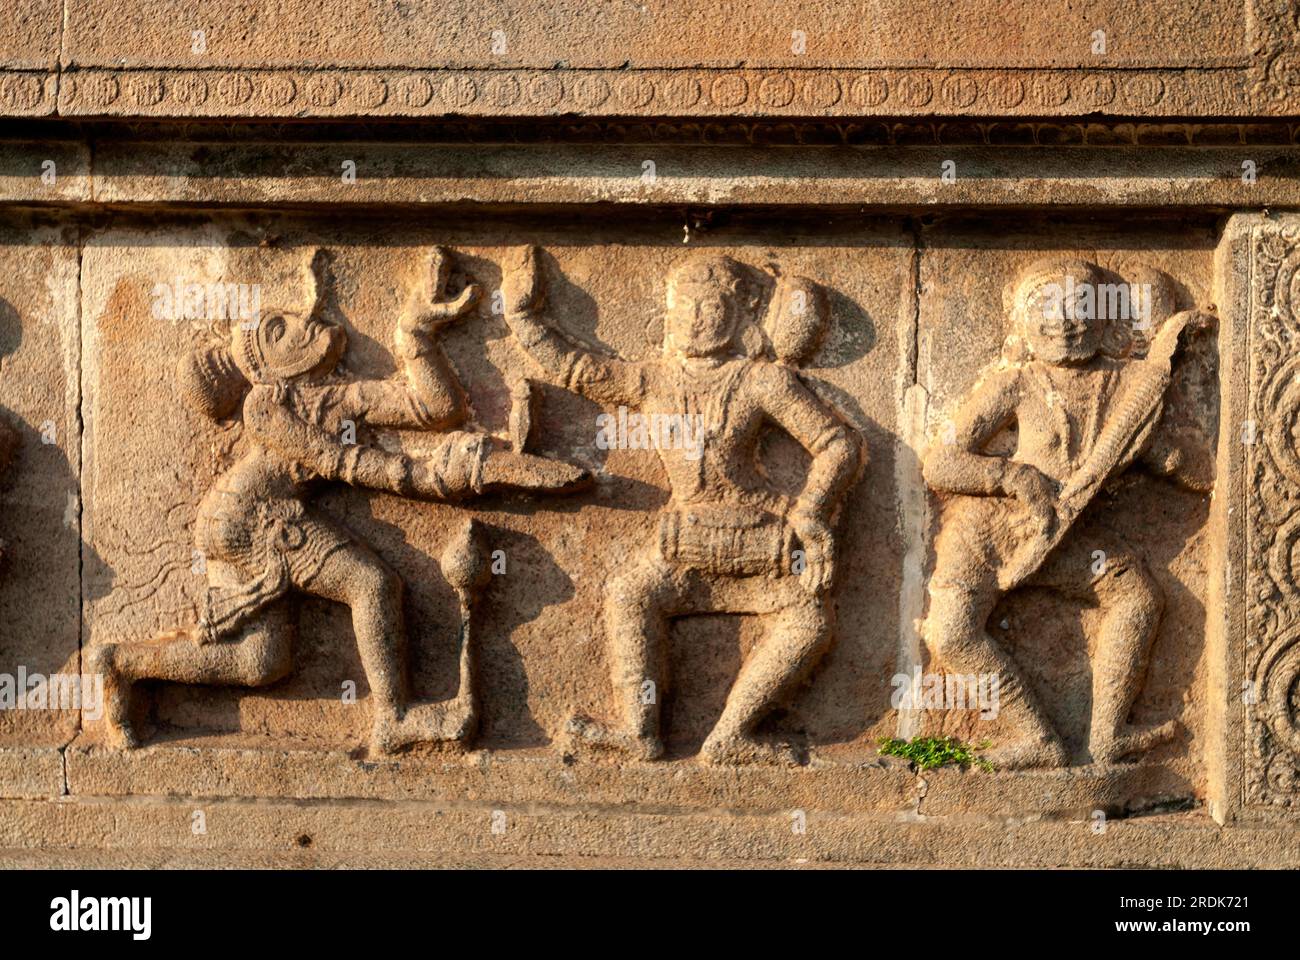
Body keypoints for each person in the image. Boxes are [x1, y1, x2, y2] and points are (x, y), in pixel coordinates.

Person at [90, 247, 588, 755]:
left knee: (262, 664)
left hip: (247, 521)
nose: (302, 324)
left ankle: (123, 663)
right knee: (371, 585)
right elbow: (337, 462)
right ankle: (392, 718)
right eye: (277, 331)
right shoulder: (266, 405)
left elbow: (436, 409)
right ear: (265, 369)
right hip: (249, 519)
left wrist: (414, 337)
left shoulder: (335, 396)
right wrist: (429, 476)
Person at [502, 246, 863, 763]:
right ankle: (640, 729)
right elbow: (575, 367)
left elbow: (837, 444)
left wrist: (810, 510)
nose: (696, 320)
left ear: (740, 317)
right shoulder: (653, 380)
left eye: (711, 307)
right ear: (669, 314)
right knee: (630, 596)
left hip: (758, 532)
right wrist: (521, 316)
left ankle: (731, 735)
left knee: (810, 621)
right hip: (685, 537)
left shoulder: (760, 379)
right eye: (686, 307)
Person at [922, 257, 1211, 768]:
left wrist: (1168, 459)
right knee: (950, 632)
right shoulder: (1019, 383)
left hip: (1068, 530)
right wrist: (1009, 476)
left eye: (1080, 306)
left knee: (1137, 596)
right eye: (1048, 307)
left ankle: (1107, 735)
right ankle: (1036, 736)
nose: (1065, 320)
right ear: (1026, 321)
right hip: (990, 529)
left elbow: (1178, 461)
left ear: (1102, 320)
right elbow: (942, 461)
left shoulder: (1124, 385)